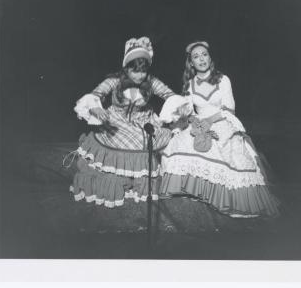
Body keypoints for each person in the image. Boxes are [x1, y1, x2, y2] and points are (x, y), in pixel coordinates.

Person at [159, 41, 280, 218]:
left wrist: (209, 121)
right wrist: (188, 117)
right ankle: (194, 190)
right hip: (200, 123)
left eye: (204, 55)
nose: (201, 59)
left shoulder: (223, 80)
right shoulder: (189, 84)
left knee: (221, 148)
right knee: (180, 143)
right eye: (196, 57)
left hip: (222, 120)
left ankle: (221, 197)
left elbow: (229, 109)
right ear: (191, 63)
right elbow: (190, 112)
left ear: (210, 57)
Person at [69, 37, 175, 208]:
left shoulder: (151, 82)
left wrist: (180, 107)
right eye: (135, 70)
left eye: (143, 71)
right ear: (126, 68)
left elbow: (169, 95)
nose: (140, 75)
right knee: (127, 142)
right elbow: (96, 94)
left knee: (151, 140)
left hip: (142, 120)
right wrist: (95, 108)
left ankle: (140, 182)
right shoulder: (115, 81)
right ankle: (121, 179)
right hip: (117, 121)